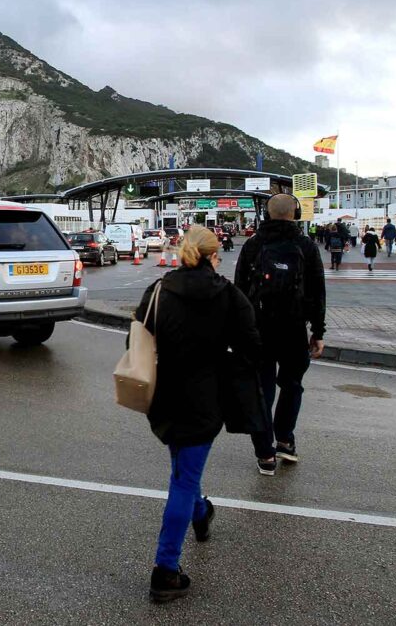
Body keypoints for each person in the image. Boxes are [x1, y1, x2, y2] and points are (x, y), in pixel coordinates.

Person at [130, 226, 262, 602]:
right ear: (213, 255)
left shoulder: (158, 291)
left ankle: (201, 513)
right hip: (205, 399)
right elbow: (252, 349)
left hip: (165, 396)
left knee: (183, 470)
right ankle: (165, 570)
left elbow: (136, 339)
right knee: (183, 480)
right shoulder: (228, 295)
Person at [235, 194, 326, 476]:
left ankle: (265, 454)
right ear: (296, 213)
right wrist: (318, 331)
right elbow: (317, 292)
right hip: (294, 329)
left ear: (266, 214)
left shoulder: (253, 244)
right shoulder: (306, 246)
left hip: (258, 330)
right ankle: (284, 439)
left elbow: (239, 290)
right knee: (292, 384)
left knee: (262, 391)